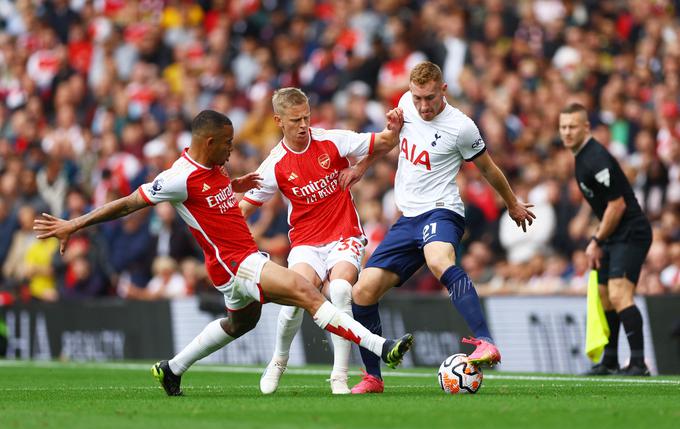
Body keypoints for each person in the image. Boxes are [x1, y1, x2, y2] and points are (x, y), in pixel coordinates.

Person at [33, 109, 415, 396]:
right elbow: (129, 203)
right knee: (307, 292)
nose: (233, 148)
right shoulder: (177, 177)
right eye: (228, 143)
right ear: (210, 142)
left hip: (231, 266)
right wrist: (74, 224)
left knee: (240, 325)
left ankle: (173, 368)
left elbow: (211, 194)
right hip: (237, 264)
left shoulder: (214, 167)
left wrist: (235, 184)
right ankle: (381, 346)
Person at [340, 61, 535, 393]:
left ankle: (485, 342)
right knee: (362, 290)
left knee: (439, 260)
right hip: (407, 220)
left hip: (442, 212)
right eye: (418, 98)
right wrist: (362, 167)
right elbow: (389, 141)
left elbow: (488, 169)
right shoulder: (405, 104)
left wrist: (512, 202)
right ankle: (373, 377)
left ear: (443, 90)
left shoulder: (462, 127)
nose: (423, 106)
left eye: (429, 98)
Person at [239, 88, 402, 394]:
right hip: (305, 242)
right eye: (295, 119)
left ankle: (339, 376)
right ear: (278, 121)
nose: (303, 125)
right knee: (294, 299)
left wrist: (387, 134)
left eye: (306, 117)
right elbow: (243, 209)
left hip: (345, 234)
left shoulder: (332, 140)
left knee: (340, 290)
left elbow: (385, 141)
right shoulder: (276, 164)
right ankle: (278, 361)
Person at [558, 103, 652, 376]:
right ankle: (610, 360)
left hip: (631, 231)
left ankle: (638, 362)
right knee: (604, 296)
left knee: (620, 294)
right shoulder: (581, 156)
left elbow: (617, 204)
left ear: (586, 127)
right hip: (614, 233)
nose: (566, 132)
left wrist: (596, 239)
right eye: (563, 127)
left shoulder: (594, 157)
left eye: (572, 126)